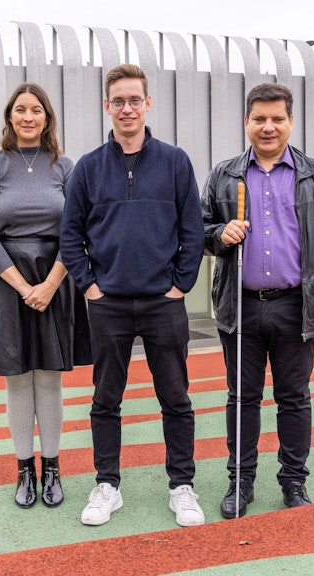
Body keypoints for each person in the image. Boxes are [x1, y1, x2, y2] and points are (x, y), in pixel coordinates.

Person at [60, 64, 206, 527]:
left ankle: (182, 485)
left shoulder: (175, 161)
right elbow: (70, 236)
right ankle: (108, 485)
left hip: (164, 302)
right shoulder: (88, 167)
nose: (127, 108)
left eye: (134, 100)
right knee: (106, 398)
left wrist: (181, 284)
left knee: (175, 397)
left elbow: (193, 229)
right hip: (109, 305)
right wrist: (90, 285)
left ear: (147, 104)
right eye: (118, 101)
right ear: (107, 106)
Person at [201, 82, 314, 519]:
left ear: (290, 122)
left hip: (294, 304)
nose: (268, 127)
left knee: (294, 397)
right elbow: (199, 231)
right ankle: (240, 482)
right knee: (242, 398)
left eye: (277, 119)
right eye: (259, 119)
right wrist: (218, 235)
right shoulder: (225, 173)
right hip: (241, 305)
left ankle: (293, 481)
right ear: (246, 122)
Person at [0, 82, 92, 510]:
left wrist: (50, 284)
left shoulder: (65, 167)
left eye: (35, 110)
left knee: (49, 378)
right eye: (19, 110)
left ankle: (53, 468)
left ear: (47, 117)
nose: (27, 117)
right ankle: (25, 469)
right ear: (9, 117)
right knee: (18, 379)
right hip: (8, 284)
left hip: (55, 280)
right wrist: (24, 287)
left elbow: (78, 230)